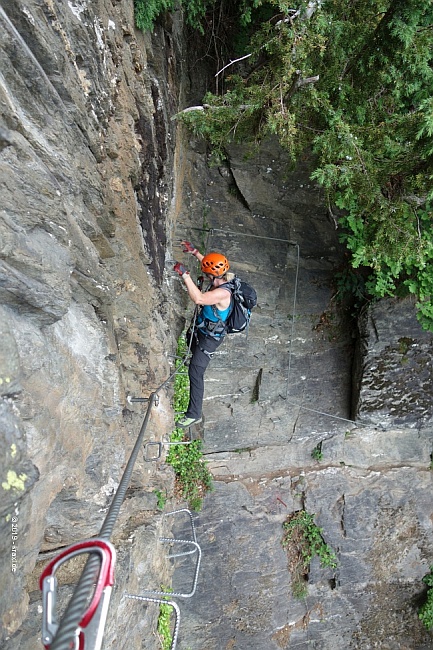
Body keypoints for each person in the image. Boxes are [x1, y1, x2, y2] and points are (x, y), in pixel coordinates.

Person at [173, 241, 233, 428]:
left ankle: (194, 414)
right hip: (203, 330)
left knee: (196, 371)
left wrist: (185, 275)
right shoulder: (225, 278)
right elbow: (211, 267)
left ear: (212, 276)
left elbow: (199, 298)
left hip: (210, 339)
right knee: (191, 342)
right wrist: (195, 253)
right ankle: (193, 354)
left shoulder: (223, 293)